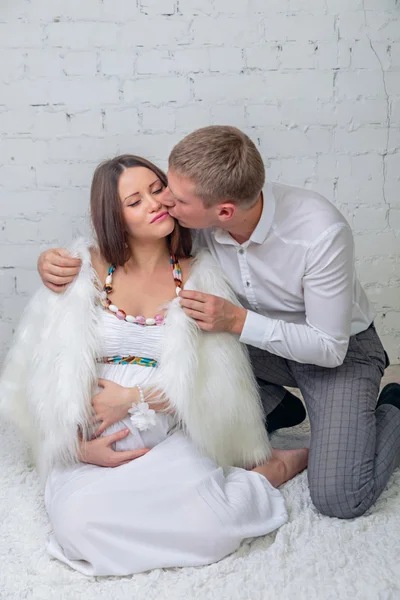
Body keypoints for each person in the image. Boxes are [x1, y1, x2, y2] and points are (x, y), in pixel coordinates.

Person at [38, 127, 400, 520]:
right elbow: (128, 251)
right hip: (256, 347)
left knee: (341, 496)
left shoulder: (320, 233)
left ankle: (393, 407)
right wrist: (53, 263)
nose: (165, 203)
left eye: (172, 196)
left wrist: (237, 320)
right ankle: (276, 407)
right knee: (194, 391)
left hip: (336, 353)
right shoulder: (196, 215)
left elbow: (329, 348)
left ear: (222, 212)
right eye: (164, 188)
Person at [0, 154, 308, 576]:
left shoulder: (201, 274)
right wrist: (76, 447)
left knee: (211, 526)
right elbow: (44, 374)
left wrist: (134, 397)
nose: (154, 203)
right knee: (79, 528)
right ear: (115, 217)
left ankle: (271, 470)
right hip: (90, 447)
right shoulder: (83, 269)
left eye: (157, 189)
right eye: (134, 200)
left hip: (168, 436)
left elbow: (213, 382)